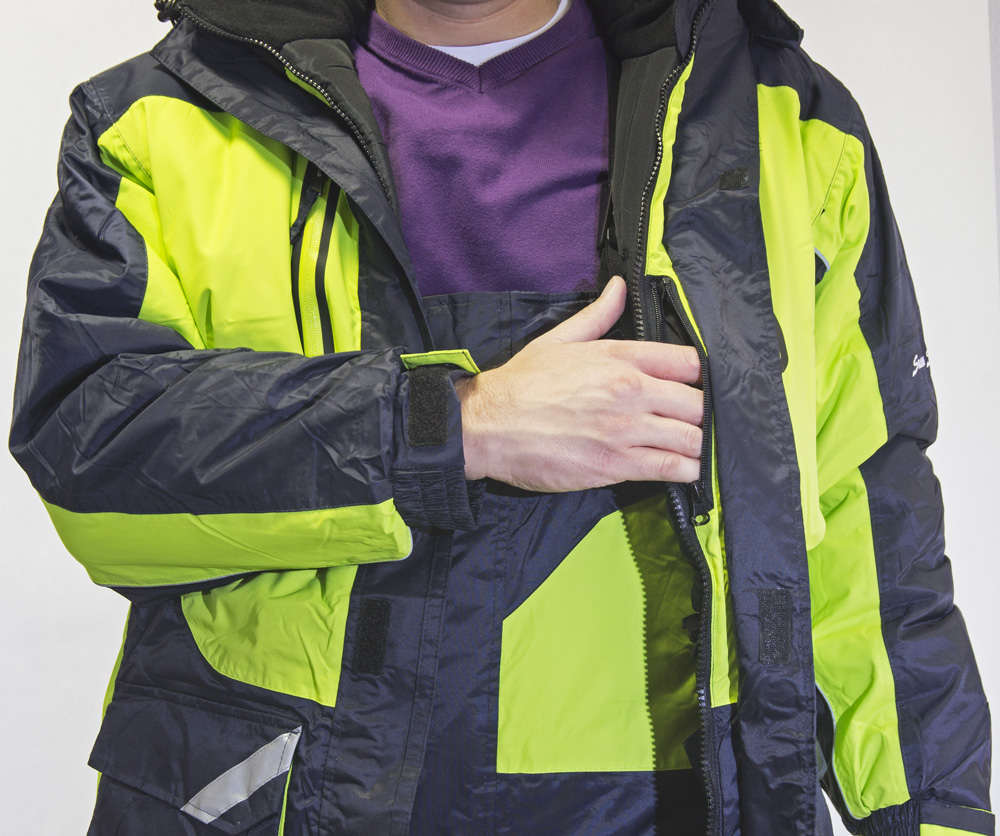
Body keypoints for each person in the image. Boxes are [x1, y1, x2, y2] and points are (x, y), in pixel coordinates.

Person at [8, 0, 992, 834]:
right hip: (282, 800)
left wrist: (938, 813)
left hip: (678, 801)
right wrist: (460, 423)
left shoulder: (785, 124)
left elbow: (870, 524)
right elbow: (92, 461)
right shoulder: (160, 120)